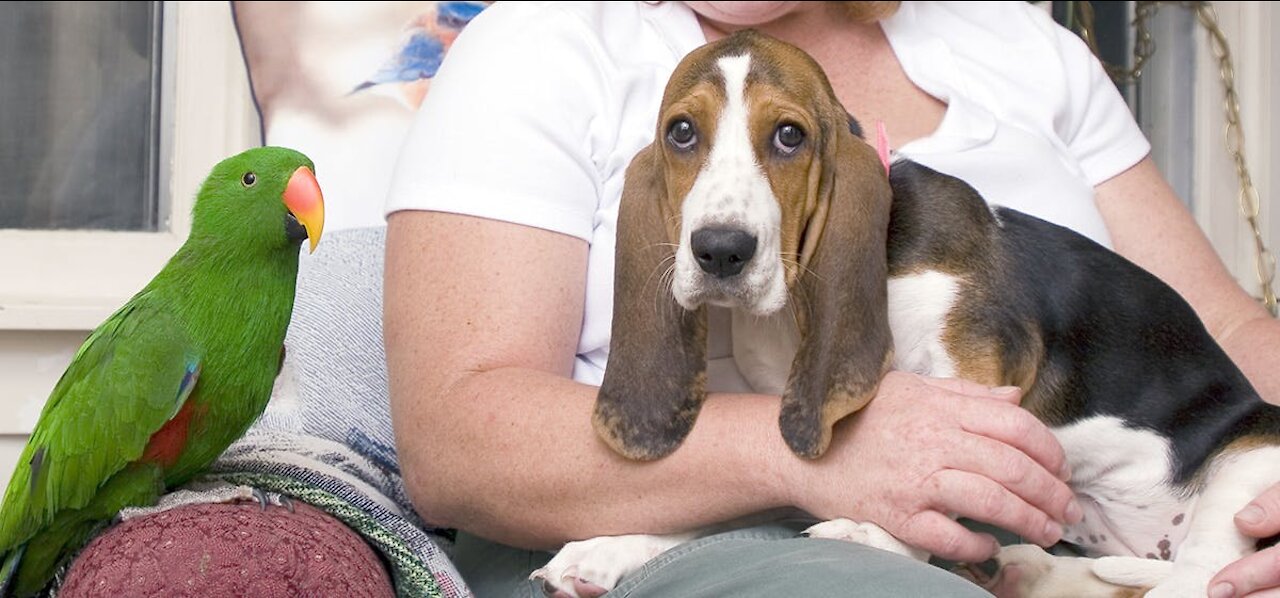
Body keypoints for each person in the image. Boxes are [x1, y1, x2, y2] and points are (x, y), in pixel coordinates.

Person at [382, 2, 1280, 597]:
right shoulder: (544, 41)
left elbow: (1234, 336)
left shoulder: (1021, 48)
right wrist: (812, 453)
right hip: (673, 542)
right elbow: (453, 441)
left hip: (1082, 546)